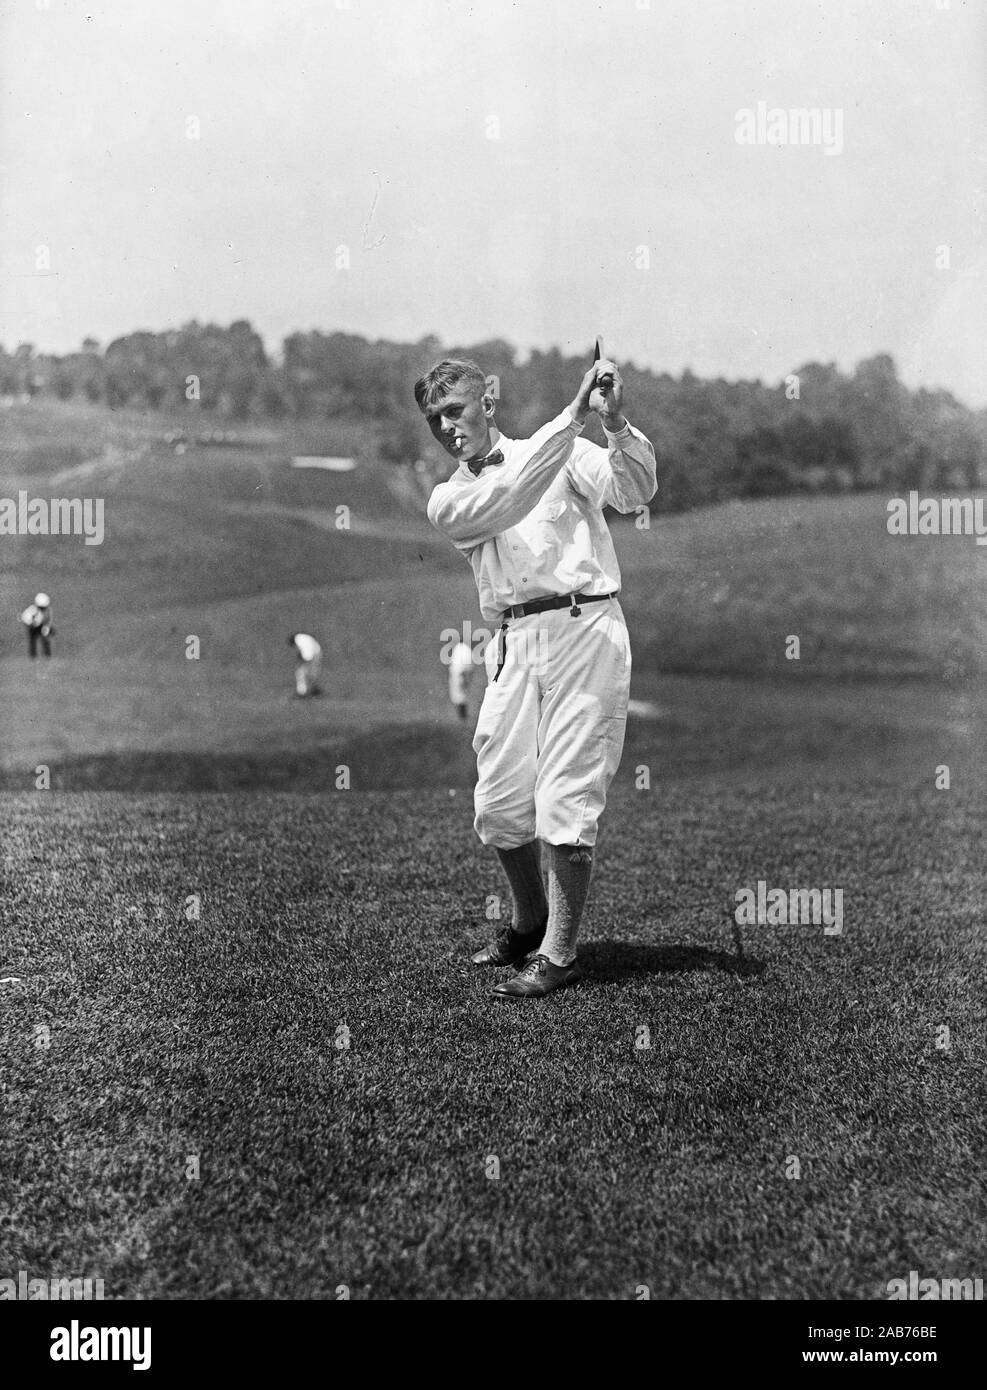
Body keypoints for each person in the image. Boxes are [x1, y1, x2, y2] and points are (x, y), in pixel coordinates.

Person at [416, 355, 656, 998]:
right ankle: (529, 921)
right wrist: (573, 416)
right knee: (497, 805)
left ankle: (559, 951)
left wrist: (614, 421)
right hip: (513, 642)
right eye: (434, 418)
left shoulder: (565, 451)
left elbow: (633, 493)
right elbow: (515, 493)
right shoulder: (450, 499)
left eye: (456, 411)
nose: (446, 427)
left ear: (486, 405)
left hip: (585, 629)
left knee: (564, 801)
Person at [447, 639, 475, 721]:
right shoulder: (465, 649)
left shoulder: (460, 649)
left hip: (460, 674)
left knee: (459, 694)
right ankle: (462, 715)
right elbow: (470, 665)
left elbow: (459, 665)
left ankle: (462, 715)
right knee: (460, 694)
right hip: (462, 673)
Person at [287, 632, 322, 697]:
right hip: (316, 653)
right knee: (312, 673)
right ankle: (314, 690)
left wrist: (302, 662)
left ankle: (302, 692)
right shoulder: (302, 638)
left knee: (300, 673)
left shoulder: (300, 641)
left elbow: (307, 655)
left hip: (310, 656)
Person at [22, 592, 55, 658]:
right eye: (42, 607)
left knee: (45, 640)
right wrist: (31, 622)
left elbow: (48, 619)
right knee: (32, 641)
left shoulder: (47, 610)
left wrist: (47, 627)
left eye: (44, 607)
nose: (43, 609)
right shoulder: (32, 610)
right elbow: (25, 618)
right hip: (33, 627)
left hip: (42, 626)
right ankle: (33, 656)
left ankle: (47, 655)